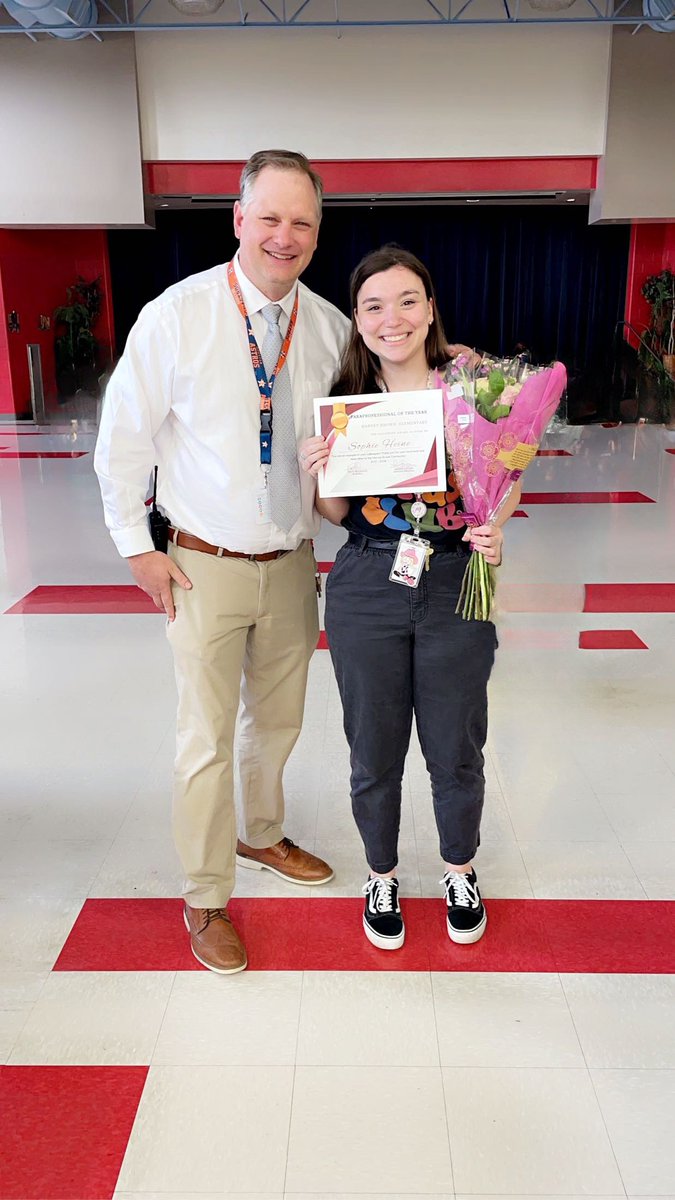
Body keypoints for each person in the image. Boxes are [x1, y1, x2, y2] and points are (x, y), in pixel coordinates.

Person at [95, 149, 351, 975]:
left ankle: (262, 836)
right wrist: (138, 548)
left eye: (301, 222)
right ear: (238, 220)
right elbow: (122, 442)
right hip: (201, 564)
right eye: (269, 217)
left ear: (316, 232)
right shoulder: (179, 314)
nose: (285, 236)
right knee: (202, 738)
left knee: (275, 725)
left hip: (291, 564)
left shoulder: (329, 328)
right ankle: (205, 898)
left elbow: (343, 453)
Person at [300, 245, 521, 951]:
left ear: (428, 307)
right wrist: (317, 473)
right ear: (357, 320)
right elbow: (338, 515)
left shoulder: (470, 385)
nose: (390, 318)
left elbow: (512, 465)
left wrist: (496, 523)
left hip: (457, 580)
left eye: (405, 301)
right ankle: (381, 874)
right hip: (368, 581)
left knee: (455, 744)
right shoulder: (348, 399)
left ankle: (458, 868)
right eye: (372, 305)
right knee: (373, 746)